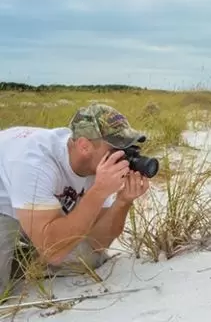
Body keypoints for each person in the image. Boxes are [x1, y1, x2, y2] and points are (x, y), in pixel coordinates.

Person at [0, 103, 151, 299]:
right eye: (116, 148)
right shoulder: (35, 164)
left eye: (128, 148)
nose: (123, 157)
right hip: (3, 201)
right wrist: (98, 193)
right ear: (84, 145)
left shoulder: (97, 164)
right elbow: (53, 251)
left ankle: (19, 255)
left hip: (32, 204)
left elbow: (96, 243)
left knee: (87, 259)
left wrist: (123, 201)